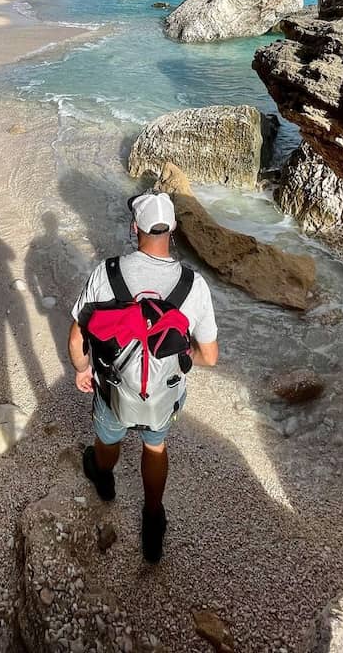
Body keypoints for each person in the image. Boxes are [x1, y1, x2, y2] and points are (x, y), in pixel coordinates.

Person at [69, 190, 218, 562]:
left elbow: (76, 337)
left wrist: (82, 370)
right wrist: (181, 358)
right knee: (156, 446)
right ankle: (153, 517)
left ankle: (103, 480)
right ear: (174, 230)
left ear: (134, 228)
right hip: (163, 397)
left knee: (107, 437)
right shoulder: (193, 285)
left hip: (113, 389)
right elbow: (210, 356)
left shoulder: (108, 273)